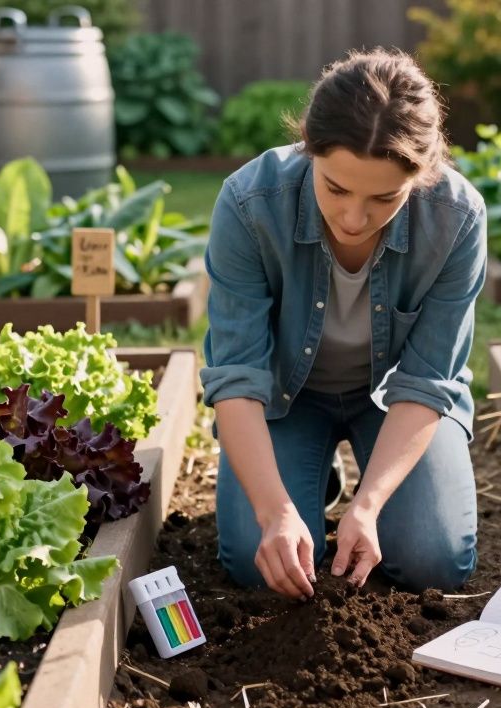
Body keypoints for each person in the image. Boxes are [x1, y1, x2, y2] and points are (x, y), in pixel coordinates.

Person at [200, 48, 486, 601]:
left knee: (437, 561)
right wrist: (274, 510)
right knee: (255, 561)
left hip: (394, 403)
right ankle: (310, 474)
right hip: (287, 398)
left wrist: (370, 504)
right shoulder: (248, 203)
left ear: (421, 177)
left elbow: (428, 381)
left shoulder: (457, 219)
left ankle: (346, 486)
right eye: (335, 189)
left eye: (384, 198)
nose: (355, 218)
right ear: (308, 148)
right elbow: (235, 375)